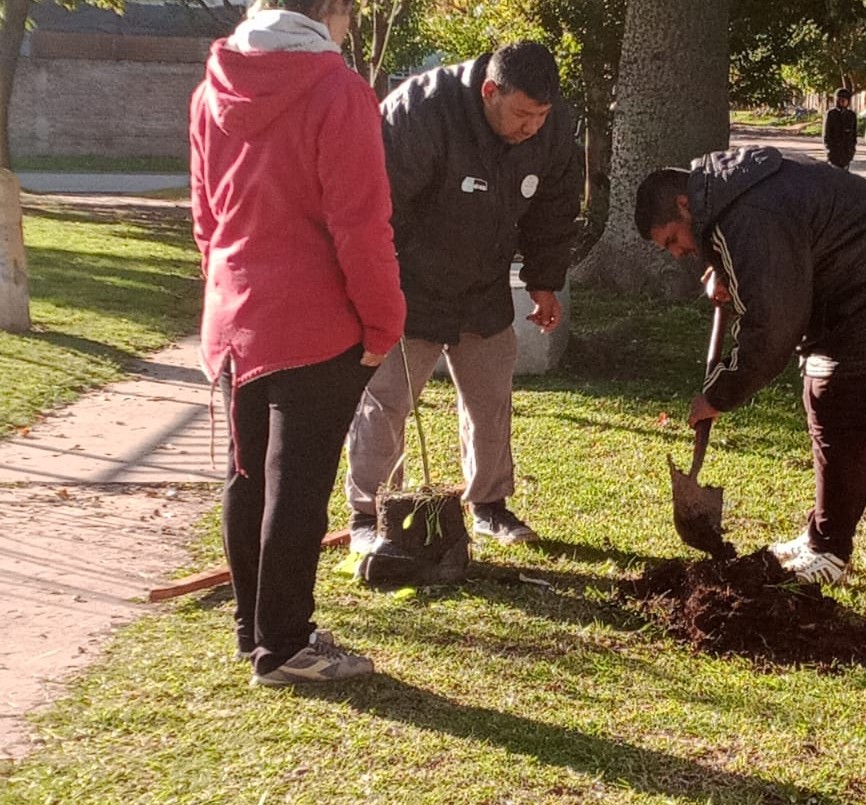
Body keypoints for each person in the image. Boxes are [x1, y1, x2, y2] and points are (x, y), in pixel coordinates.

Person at [189, 0, 407, 685]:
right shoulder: (339, 91)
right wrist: (384, 322)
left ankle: (255, 631)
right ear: (334, 9)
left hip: (233, 315)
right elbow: (362, 224)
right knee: (297, 485)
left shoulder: (210, 89)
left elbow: (205, 216)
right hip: (314, 322)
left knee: (248, 473)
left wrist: (224, 293)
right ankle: (283, 645)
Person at [634, 146, 866, 585]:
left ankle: (831, 552)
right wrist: (727, 268)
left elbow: (773, 326)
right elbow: (775, 252)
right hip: (855, 287)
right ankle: (819, 534)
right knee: (821, 399)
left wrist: (719, 395)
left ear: (685, 205)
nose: (677, 253)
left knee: (845, 406)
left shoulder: (748, 215)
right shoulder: (730, 193)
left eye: (672, 240)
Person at [345, 41, 582, 550]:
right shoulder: (420, 112)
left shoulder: (552, 125)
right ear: (490, 91)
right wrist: (376, 291)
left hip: (485, 285)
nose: (532, 127)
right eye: (522, 114)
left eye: (541, 115)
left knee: (490, 397)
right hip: (409, 286)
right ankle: (370, 512)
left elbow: (556, 205)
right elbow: (375, 207)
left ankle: (489, 505)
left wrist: (543, 278)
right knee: (386, 401)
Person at [822, 87, 857, 169]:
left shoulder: (851, 115)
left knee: (844, 177)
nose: (843, 101)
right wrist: (829, 150)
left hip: (846, 152)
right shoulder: (831, 114)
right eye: (841, 99)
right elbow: (826, 134)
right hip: (834, 153)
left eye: (845, 99)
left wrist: (852, 150)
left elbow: (853, 134)